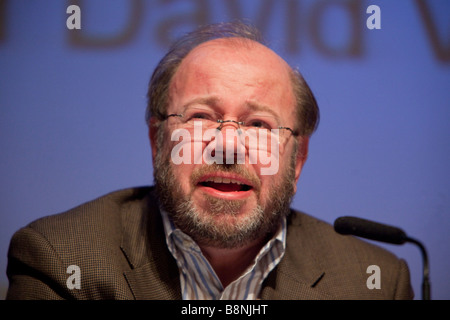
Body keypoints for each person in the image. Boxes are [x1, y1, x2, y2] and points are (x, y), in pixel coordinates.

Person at [6, 21, 413, 300]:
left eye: (258, 124)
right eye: (201, 117)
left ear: (299, 157)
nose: (228, 147)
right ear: (157, 140)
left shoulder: (372, 281)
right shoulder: (62, 259)